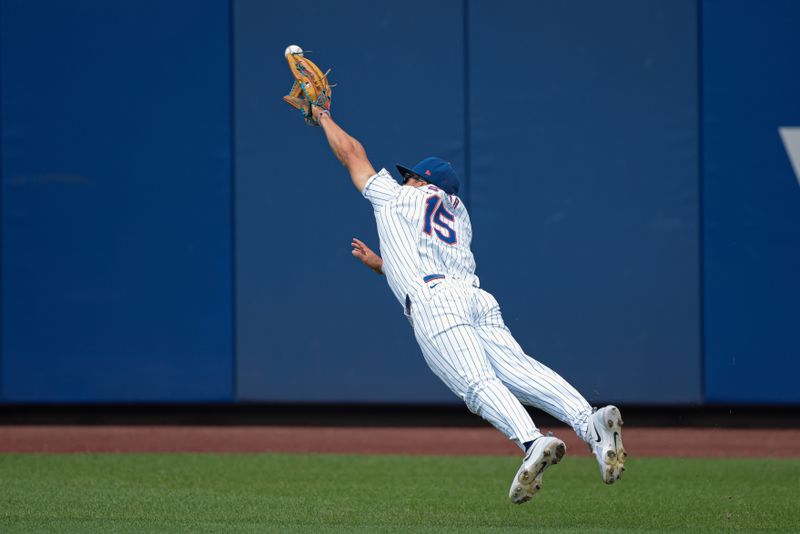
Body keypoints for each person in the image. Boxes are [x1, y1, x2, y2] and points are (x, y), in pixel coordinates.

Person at [309, 105, 626, 504]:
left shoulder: (396, 197)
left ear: (419, 181)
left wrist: (322, 116)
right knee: (520, 371)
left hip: (435, 303)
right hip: (475, 299)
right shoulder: (459, 215)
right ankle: (590, 423)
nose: (403, 179)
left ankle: (532, 441)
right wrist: (383, 265)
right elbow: (420, 254)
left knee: (476, 385)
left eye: (409, 176)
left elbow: (351, 153)